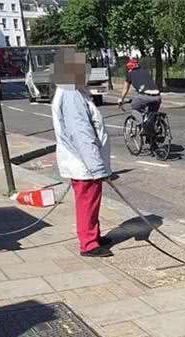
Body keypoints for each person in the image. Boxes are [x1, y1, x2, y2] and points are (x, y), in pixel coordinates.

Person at [51, 49, 113, 258]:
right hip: (83, 162)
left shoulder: (74, 91)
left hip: (84, 161)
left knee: (91, 201)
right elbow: (81, 132)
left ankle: (92, 235)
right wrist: (97, 167)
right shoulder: (70, 94)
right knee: (87, 201)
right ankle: (88, 243)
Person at [118, 58, 161, 153]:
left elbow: (126, 87)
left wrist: (121, 99)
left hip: (144, 96)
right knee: (151, 115)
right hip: (157, 97)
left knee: (135, 107)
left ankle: (142, 127)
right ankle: (152, 141)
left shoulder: (130, 74)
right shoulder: (145, 71)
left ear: (129, 68)